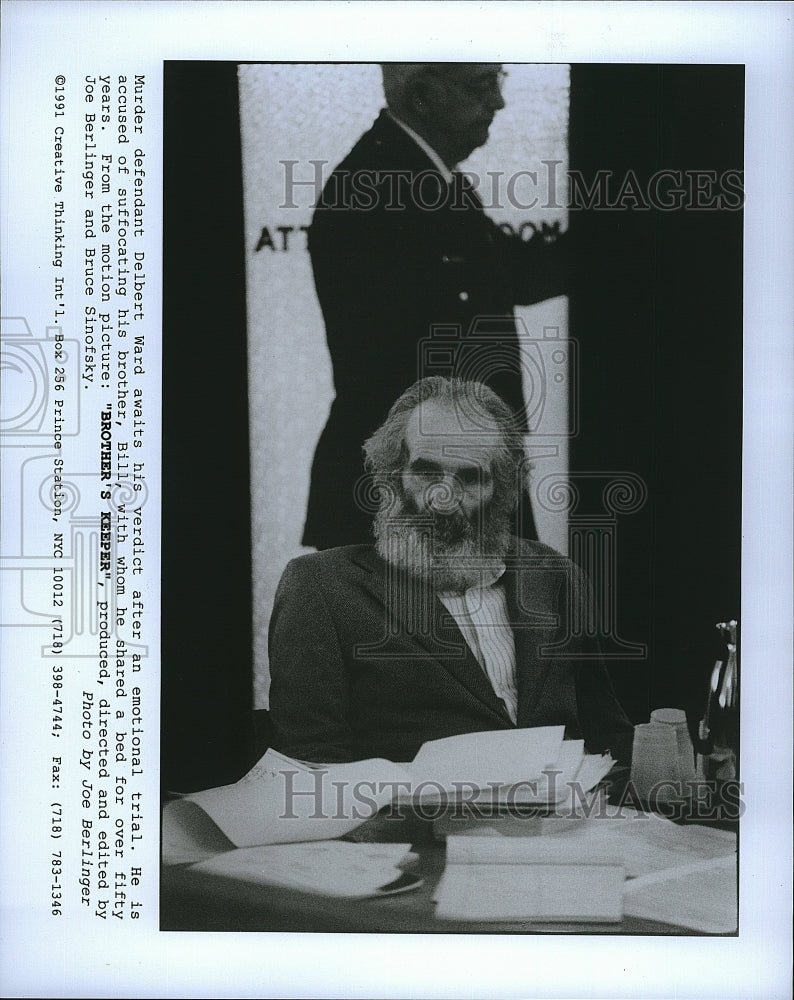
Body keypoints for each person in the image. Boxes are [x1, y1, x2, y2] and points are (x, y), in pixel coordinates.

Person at [271, 376, 633, 765]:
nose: (443, 499)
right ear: (392, 476)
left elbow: (607, 734)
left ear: (503, 489)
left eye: (469, 477)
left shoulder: (556, 576)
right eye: (426, 473)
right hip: (414, 822)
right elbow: (311, 766)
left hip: (568, 820)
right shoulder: (321, 588)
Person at [303, 63, 568, 549]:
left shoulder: (420, 177)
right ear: (423, 96)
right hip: (419, 492)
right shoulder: (377, 187)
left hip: (444, 477)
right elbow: (394, 370)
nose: (498, 102)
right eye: (480, 85)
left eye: (497, 82)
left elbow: (511, 272)